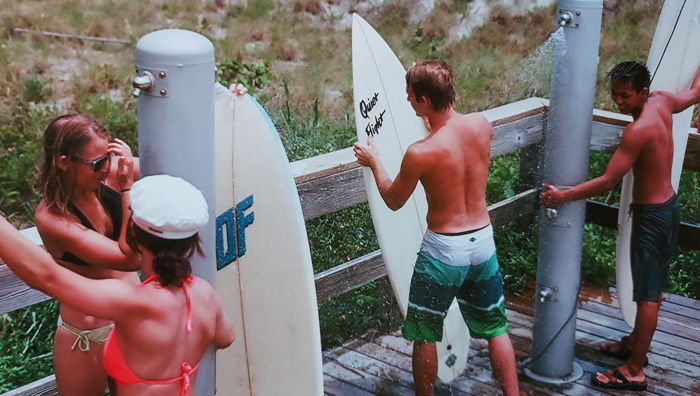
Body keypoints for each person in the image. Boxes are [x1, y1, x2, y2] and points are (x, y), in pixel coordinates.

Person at [354, 60, 522, 396]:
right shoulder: (481, 125)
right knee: (496, 326)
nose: (406, 101)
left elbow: (393, 199)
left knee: (425, 331)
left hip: (445, 250)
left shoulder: (421, 152)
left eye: (410, 96)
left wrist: (374, 162)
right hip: (482, 241)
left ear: (425, 101)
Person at [540, 61, 700, 391]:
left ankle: (634, 369)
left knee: (648, 296)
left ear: (643, 92)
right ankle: (633, 343)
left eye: (625, 96)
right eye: (614, 95)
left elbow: (609, 181)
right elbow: (696, 93)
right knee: (648, 289)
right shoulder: (663, 101)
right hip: (666, 207)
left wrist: (564, 195)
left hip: (652, 217)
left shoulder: (637, 130)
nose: (618, 103)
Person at [0, 174, 235, 396]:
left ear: (133, 230)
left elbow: (46, 276)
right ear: (193, 239)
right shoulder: (205, 294)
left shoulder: (132, 302)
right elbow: (226, 337)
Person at [34, 114, 142, 395]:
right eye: (97, 163)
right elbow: (130, 258)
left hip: (133, 323)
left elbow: (179, 168)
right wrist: (128, 187)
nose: (107, 168)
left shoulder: (110, 172)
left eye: (109, 156)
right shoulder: (53, 218)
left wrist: (229, 110)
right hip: (86, 336)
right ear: (64, 162)